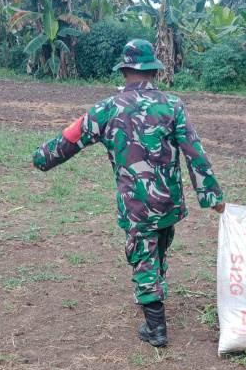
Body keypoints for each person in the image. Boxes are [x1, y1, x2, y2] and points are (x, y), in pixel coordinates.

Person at [32, 40, 226, 347]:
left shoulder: (105, 109)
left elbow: (69, 139)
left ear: (124, 71)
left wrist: (41, 157)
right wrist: (212, 196)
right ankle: (153, 294)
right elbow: (194, 152)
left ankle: (156, 327)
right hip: (167, 201)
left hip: (135, 203)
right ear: (153, 71)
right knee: (157, 246)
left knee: (144, 253)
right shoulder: (173, 105)